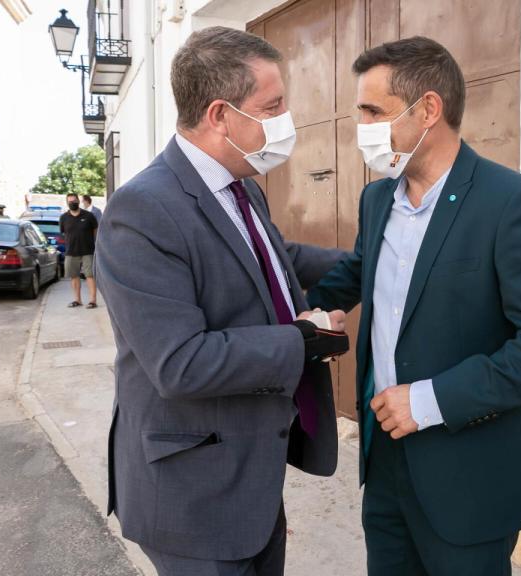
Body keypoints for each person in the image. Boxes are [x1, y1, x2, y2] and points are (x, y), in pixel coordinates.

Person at [306, 37, 521, 576]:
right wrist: (312, 310)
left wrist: (431, 400)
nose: (360, 125)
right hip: (384, 459)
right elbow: (358, 272)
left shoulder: (511, 202)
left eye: (373, 111)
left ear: (428, 110)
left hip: (468, 473)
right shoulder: (377, 198)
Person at [96, 27, 351, 576]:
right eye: (273, 105)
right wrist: (304, 341)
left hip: (251, 476)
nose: (288, 118)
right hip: (193, 494)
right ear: (220, 114)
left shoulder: (242, 185)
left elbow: (277, 260)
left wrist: (383, 258)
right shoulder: (142, 210)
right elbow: (181, 363)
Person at [59, 192, 99, 309]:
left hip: (88, 251)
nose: (72, 203)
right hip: (71, 252)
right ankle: (78, 300)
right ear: (67, 203)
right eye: (70, 201)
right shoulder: (64, 218)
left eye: (74, 201)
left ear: (78, 201)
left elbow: (95, 230)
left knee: (90, 275)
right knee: (74, 276)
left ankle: (93, 300)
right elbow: (63, 233)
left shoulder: (88, 216)